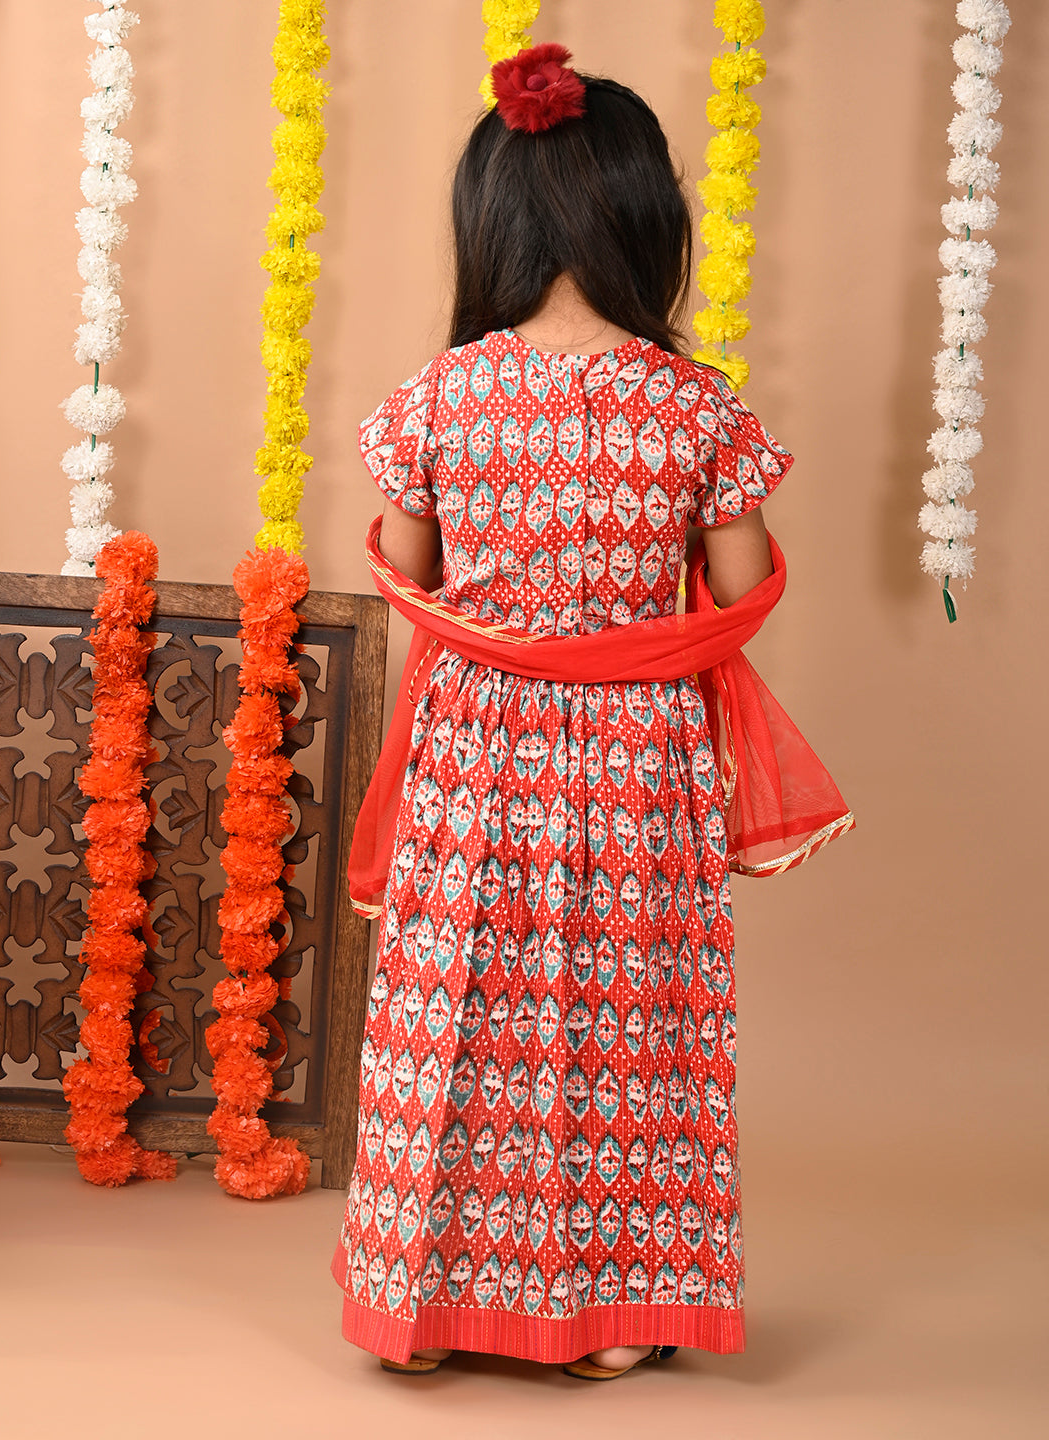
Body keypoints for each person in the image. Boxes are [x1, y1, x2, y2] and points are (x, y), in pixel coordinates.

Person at [332, 43, 852, 1381]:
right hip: (636, 754)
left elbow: (409, 578)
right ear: (645, 219)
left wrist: (513, 629)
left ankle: (429, 1308)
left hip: (475, 746)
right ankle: (611, 1318)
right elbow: (740, 591)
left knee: (459, 1010)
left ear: (488, 219)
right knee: (623, 1028)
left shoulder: (438, 399)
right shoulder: (696, 410)